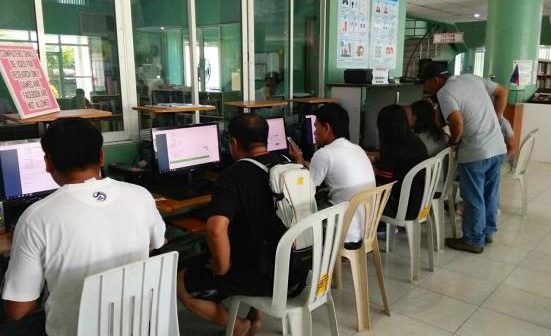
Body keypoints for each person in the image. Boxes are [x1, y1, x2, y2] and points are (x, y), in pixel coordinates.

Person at [1, 118, 166, 336]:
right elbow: (157, 243)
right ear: (101, 156)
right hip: (140, 326)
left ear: (48, 162)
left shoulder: (36, 218)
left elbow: (18, 309)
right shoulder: (141, 196)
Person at [177, 114, 291, 336]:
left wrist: (222, 268)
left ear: (234, 143)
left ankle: (239, 326)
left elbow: (215, 229)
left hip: (263, 276)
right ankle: (255, 319)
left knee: (181, 282)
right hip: (294, 270)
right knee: (257, 236)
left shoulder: (232, 176)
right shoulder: (288, 165)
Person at [423, 62, 507, 253]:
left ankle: (473, 239)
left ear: (435, 80)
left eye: (425, 84)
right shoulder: (471, 78)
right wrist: (496, 118)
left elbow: (456, 121)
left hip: (476, 150)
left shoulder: (445, 92)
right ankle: (487, 232)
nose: (425, 88)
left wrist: (455, 142)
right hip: (497, 145)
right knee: (490, 193)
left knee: (473, 196)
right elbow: (502, 92)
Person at [288, 103, 375, 247]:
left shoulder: (324, 154)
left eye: (316, 127)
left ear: (327, 128)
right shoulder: (357, 149)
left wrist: (298, 163)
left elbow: (307, 190)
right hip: (366, 229)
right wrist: (304, 162)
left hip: (344, 233)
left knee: (297, 208)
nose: (314, 132)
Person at [375, 105, 429, 220]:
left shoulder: (391, 148)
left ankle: (380, 227)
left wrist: (371, 168)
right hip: (421, 204)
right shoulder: (416, 141)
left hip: (401, 208)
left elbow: (383, 183)